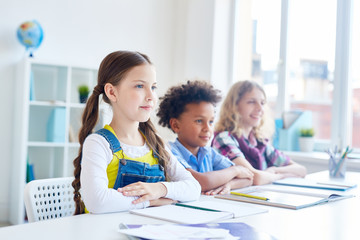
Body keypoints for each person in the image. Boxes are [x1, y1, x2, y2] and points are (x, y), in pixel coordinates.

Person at [72, 51, 201, 214]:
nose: (151, 96)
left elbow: (193, 188)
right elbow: (97, 201)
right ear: (112, 92)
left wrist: (160, 189)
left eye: (153, 87)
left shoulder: (156, 143)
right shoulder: (99, 143)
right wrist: (150, 201)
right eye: (140, 86)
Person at [157, 80, 253, 195]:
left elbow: (248, 178)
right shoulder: (170, 152)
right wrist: (235, 170)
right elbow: (201, 182)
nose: (207, 128)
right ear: (176, 125)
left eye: (211, 121)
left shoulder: (209, 153)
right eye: (199, 121)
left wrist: (228, 184)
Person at [212, 80, 306, 185]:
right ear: (234, 106)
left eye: (262, 103)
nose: (260, 108)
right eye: (251, 102)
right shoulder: (223, 139)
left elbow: (301, 170)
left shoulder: (258, 142)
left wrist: (274, 170)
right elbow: (255, 177)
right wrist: (280, 176)